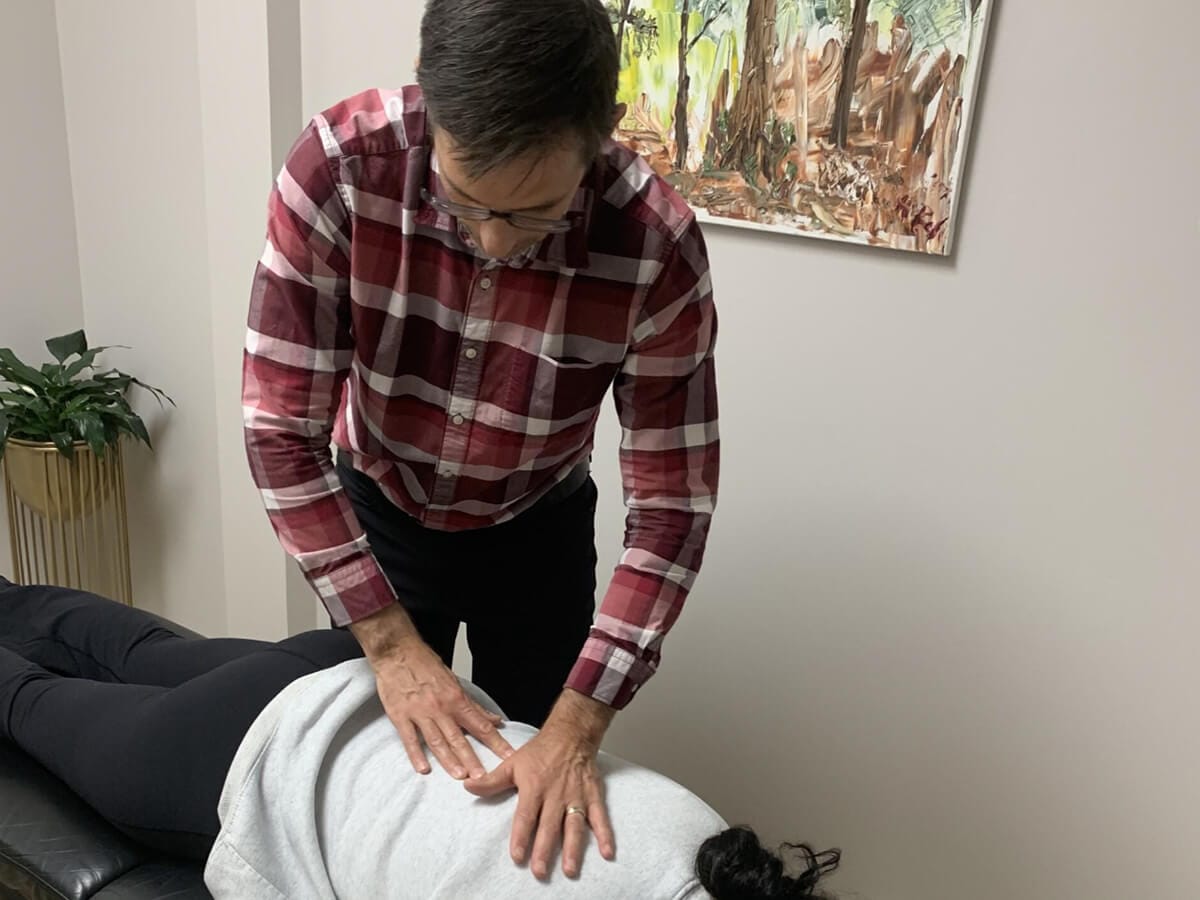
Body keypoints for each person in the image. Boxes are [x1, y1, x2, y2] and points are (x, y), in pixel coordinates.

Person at [242, 0, 719, 880]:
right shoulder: (340, 168)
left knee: (526, 812)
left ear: (601, 133)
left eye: (534, 215)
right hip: (379, 516)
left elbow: (670, 513)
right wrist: (389, 648)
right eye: (466, 204)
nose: (496, 243)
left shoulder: (657, 247)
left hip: (536, 532)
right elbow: (279, 429)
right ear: (431, 106)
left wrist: (579, 726)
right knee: (382, 786)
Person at [0, 580, 838, 898]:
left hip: (352, 674)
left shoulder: (711, 842)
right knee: (29, 701)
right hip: (236, 761)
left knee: (132, 649)